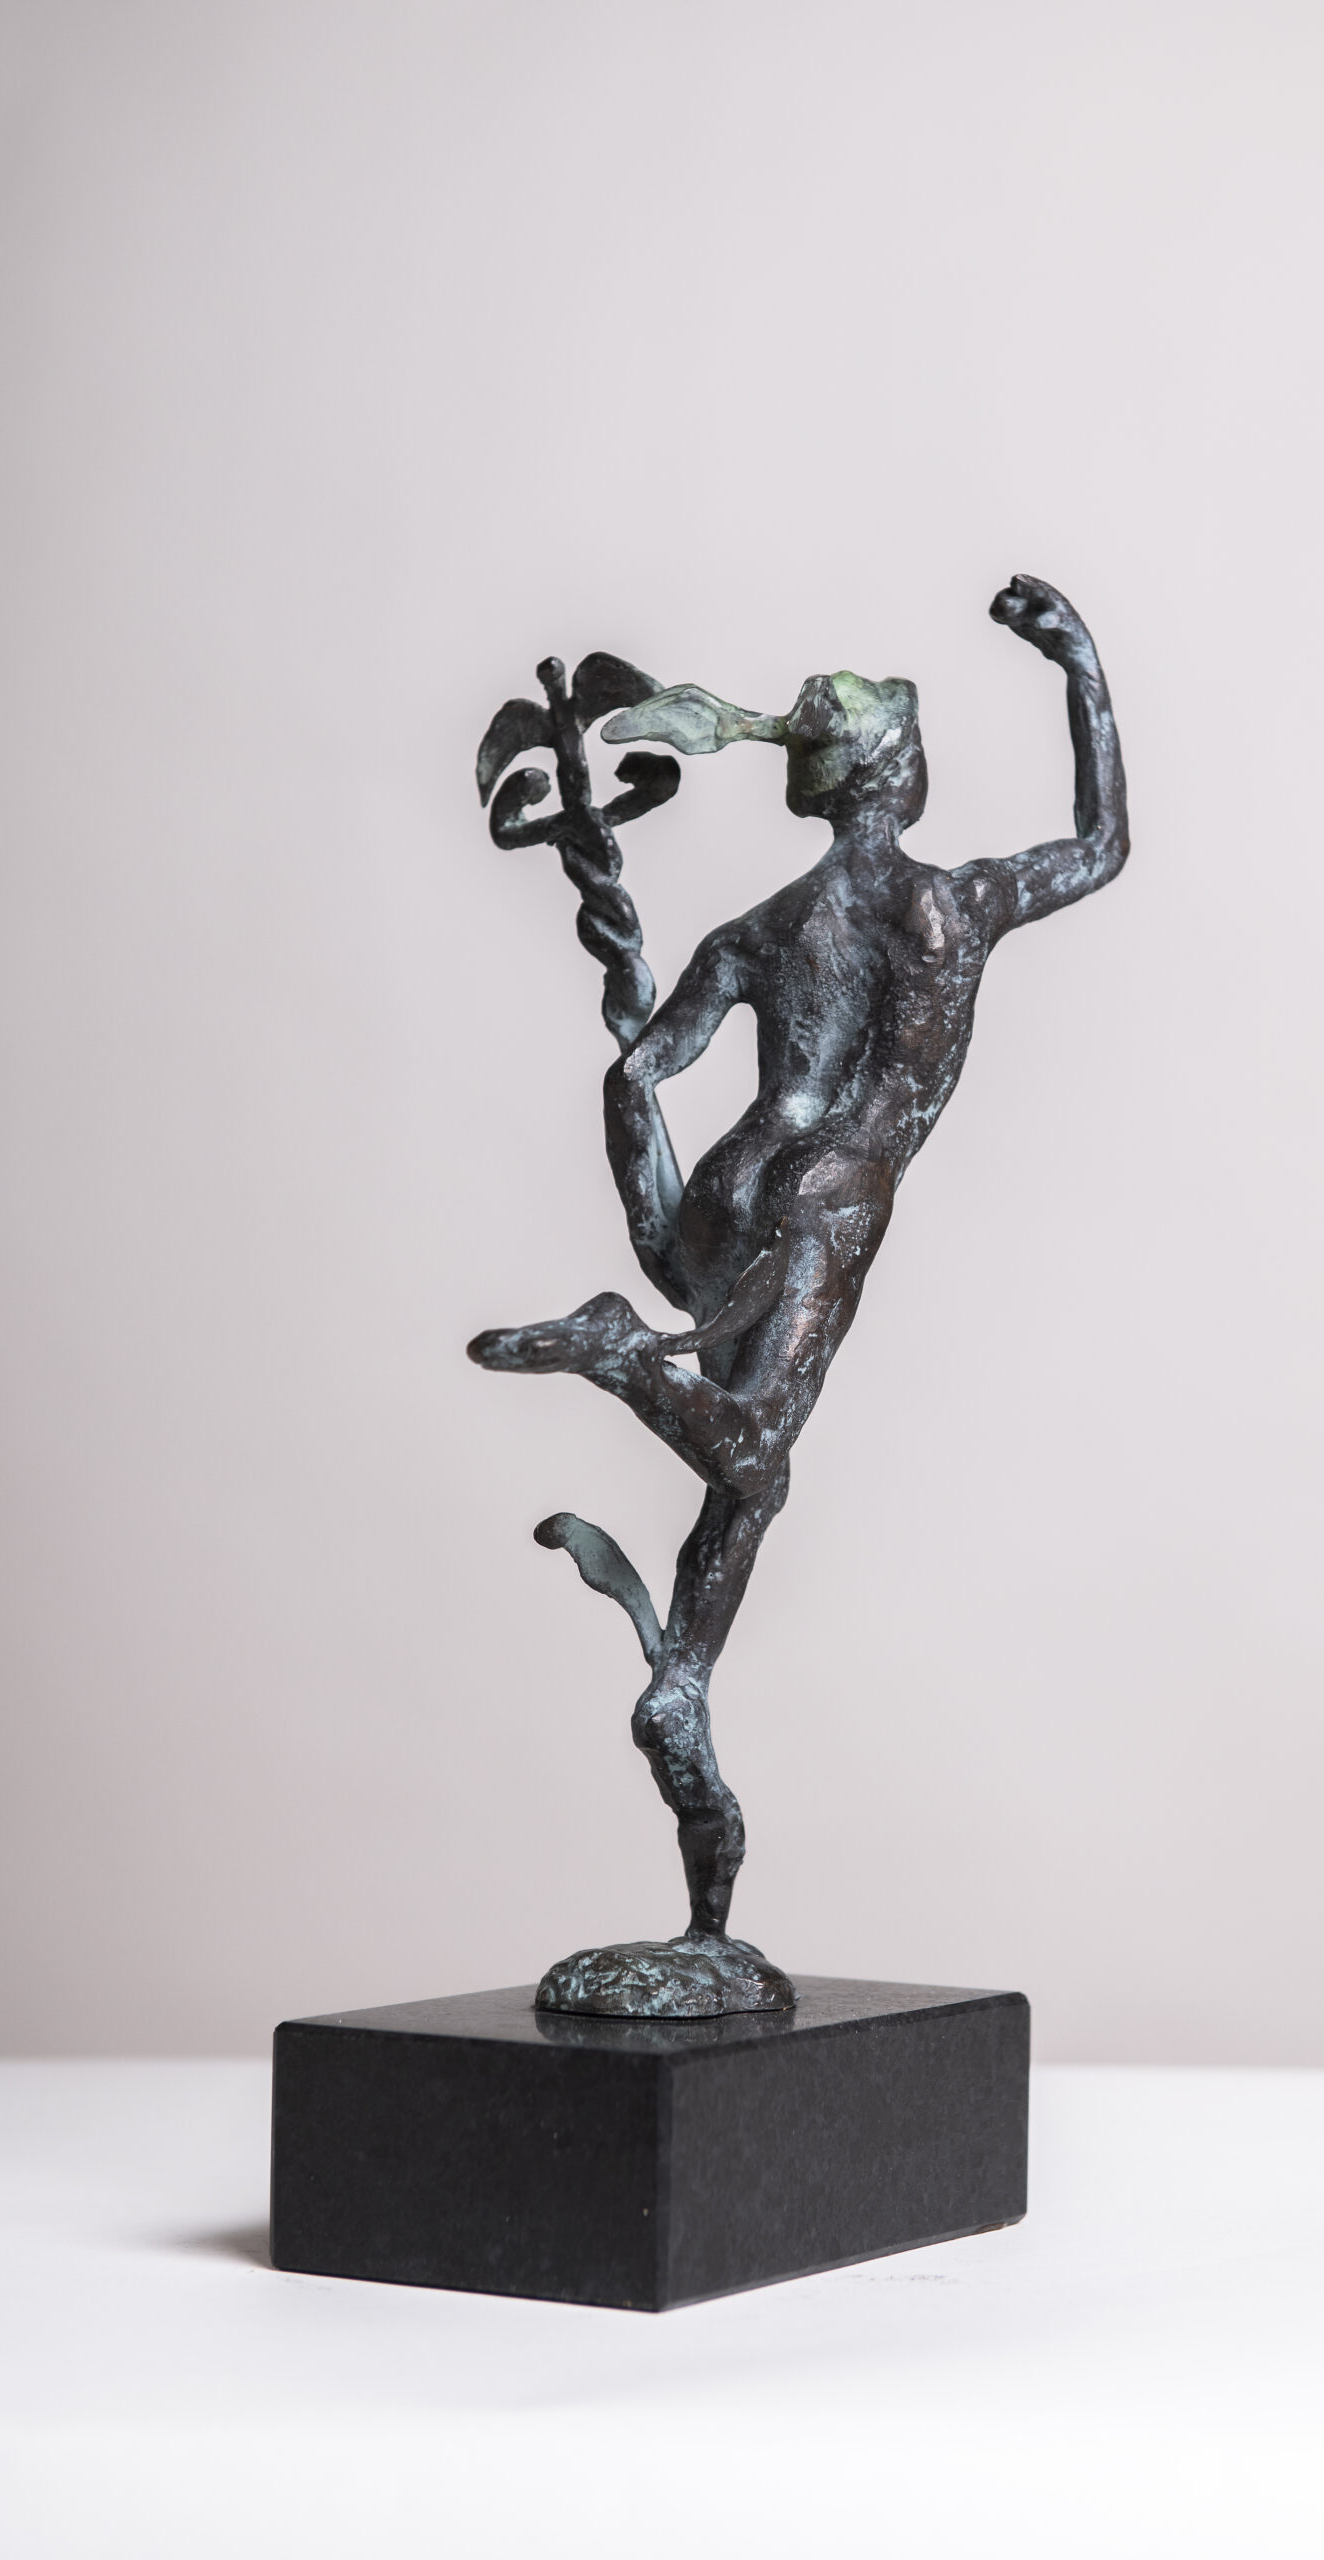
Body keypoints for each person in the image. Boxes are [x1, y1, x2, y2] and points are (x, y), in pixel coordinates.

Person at [470, 575, 1128, 1997]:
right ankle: (619, 1352)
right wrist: (1077, 663)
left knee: (747, 1489)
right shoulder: (950, 905)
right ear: (902, 776)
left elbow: (636, 1073)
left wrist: (659, 1225)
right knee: (759, 1446)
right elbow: (1101, 844)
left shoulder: (759, 929)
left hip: (723, 1191)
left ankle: (684, 1682)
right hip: (829, 1199)